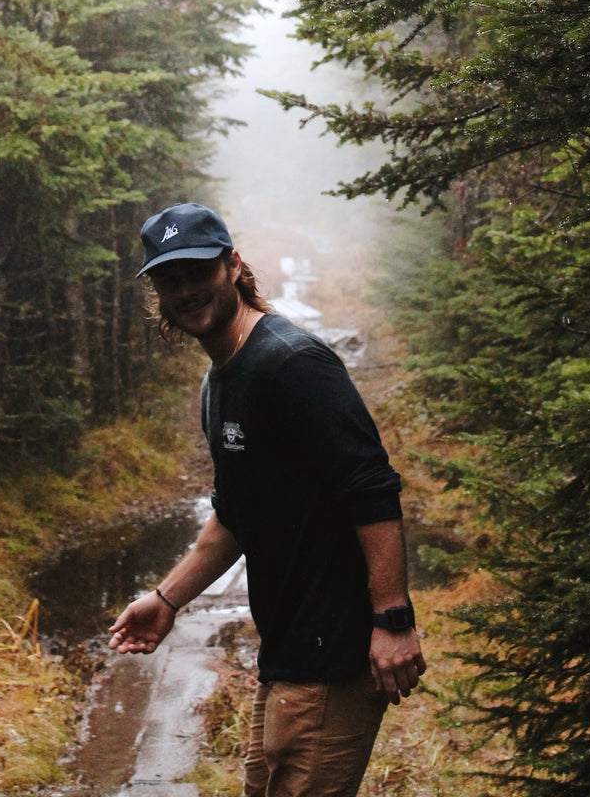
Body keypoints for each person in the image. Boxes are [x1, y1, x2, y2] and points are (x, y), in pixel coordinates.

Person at [109, 201, 425, 797]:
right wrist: (166, 600)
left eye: (197, 273)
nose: (185, 291)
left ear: (232, 266)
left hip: (334, 652)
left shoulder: (292, 363)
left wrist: (393, 619)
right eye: (169, 279)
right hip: (288, 651)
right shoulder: (220, 380)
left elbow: (373, 488)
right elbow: (234, 517)